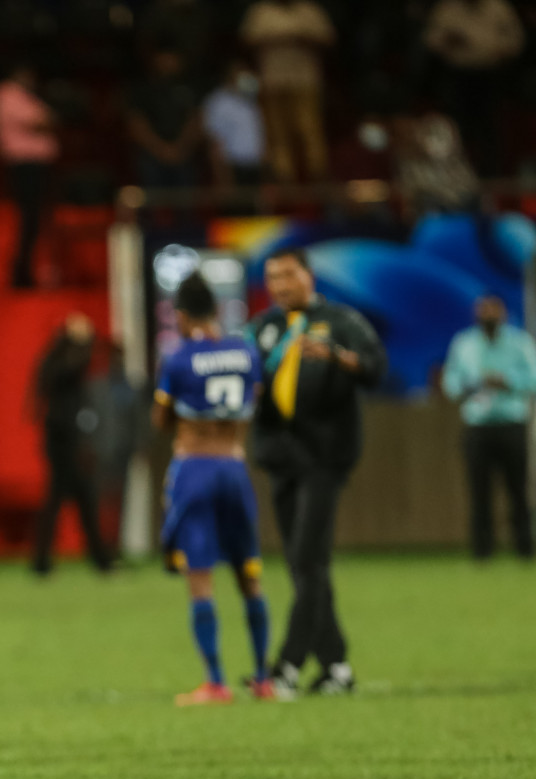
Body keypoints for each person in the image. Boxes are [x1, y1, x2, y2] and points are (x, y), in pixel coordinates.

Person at [247, 248, 386, 698]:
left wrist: (336, 357)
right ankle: (336, 667)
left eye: (288, 275)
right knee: (304, 565)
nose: (280, 285)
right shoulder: (264, 327)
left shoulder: (340, 321)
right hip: (280, 456)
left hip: (324, 457)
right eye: (272, 277)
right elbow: (243, 369)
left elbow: (373, 367)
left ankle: (285, 668)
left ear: (308, 275)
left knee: (307, 560)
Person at [154, 274, 275, 706]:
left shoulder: (178, 357)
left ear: (182, 316)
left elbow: (160, 417)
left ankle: (216, 683)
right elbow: (256, 398)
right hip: (234, 466)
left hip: (195, 468)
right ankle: (263, 679)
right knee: (249, 574)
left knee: (200, 576)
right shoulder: (243, 351)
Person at [441, 295, 536, 559]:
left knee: (518, 490)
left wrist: (508, 382)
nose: (488, 315)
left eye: (494, 310)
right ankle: (482, 552)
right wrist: (471, 385)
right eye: (484, 310)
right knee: (479, 491)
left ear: (504, 313)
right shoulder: (464, 344)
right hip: (477, 427)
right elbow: (450, 382)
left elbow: (533, 378)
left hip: (511, 424)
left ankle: (525, 548)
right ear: (476, 313)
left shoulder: (519, 343)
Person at [32, 313, 113, 575]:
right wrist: (77, 339)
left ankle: (100, 561)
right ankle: (43, 563)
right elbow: (64, 373)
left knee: (86, 502)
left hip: (75, 440)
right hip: (59, 441)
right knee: (56, 502)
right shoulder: (54, 361)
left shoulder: (71, 361)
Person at [423, 0, 525, 175]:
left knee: (489, 124)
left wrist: (499, 49)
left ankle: (492, 173)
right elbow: (430, 39)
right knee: (455, 126)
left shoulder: (498, 7)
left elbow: (516, 40)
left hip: (489, 74)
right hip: (457, 75)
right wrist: (446, 40)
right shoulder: (448, 8)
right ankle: (453, 172)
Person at [241, 0, 335, 182]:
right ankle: (284, 177)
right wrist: (275, 39)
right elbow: (246, 40)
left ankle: (317, 175)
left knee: (309, 129)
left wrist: (301, 38)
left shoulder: (309, 10)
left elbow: (328, 39)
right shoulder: (261, 11)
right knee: (277, 131)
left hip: (305, 80)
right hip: (272, 80)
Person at [0, 63, 57, 289]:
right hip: (24, 166)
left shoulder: (26, 96)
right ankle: (21, 275)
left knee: (35, 221)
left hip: (36, 166)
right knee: (29, 220)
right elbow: (42, 121)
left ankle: (28, 272)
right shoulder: (7, 94)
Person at [126, 50, 203, 190]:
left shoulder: (190, 87)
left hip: (183, 153)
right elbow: (137, 123)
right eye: (164, 57)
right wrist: (161, 149)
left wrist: (180, 147)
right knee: (151, 200)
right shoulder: (144, 89)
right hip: (152, 154)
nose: (168, 62)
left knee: (185, 201)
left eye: (172, 57)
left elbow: (195, 120)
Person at [204, 61, 267, 188]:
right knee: (236, 205)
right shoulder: (219, 101)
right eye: (242, 76)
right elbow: (214, 140)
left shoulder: (251, 100)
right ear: (231, 78)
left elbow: (259, 133)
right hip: (232, 166)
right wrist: (222, 175)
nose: (247, 80)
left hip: (254, 164)